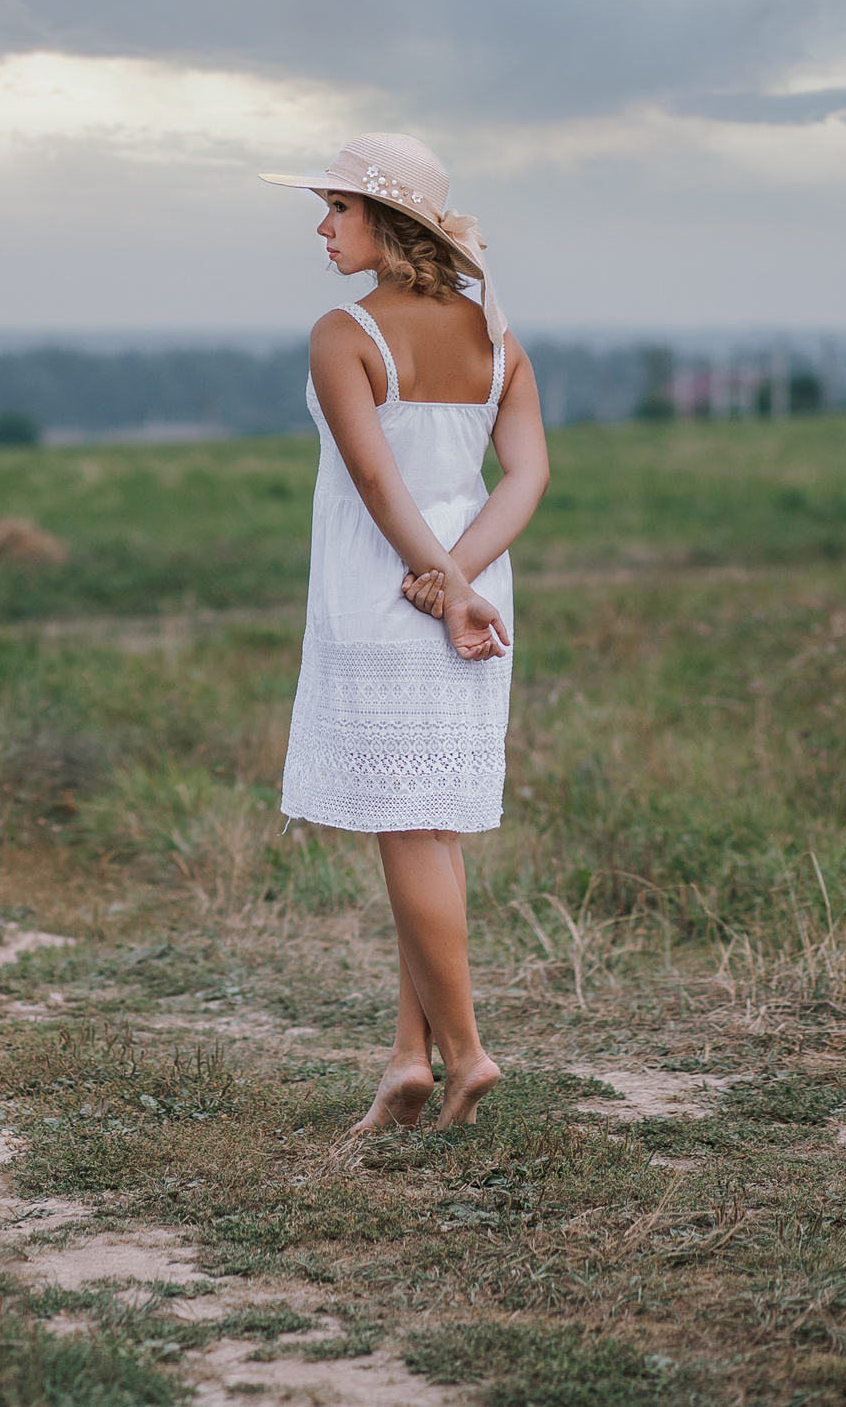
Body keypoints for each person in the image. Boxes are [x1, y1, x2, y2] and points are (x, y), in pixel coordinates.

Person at [261, 135, 550, 1132]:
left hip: (384, 593)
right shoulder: (497, 336)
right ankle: (406, 1059)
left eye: (334, 209)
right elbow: (526, 479)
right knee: (426, 829)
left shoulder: (341, 332)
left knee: (408, 824)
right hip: (464, 585)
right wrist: (465, 579)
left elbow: (376, 481)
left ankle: (465, 1053)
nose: (321, 228)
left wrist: (435, 579)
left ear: (385, 222)